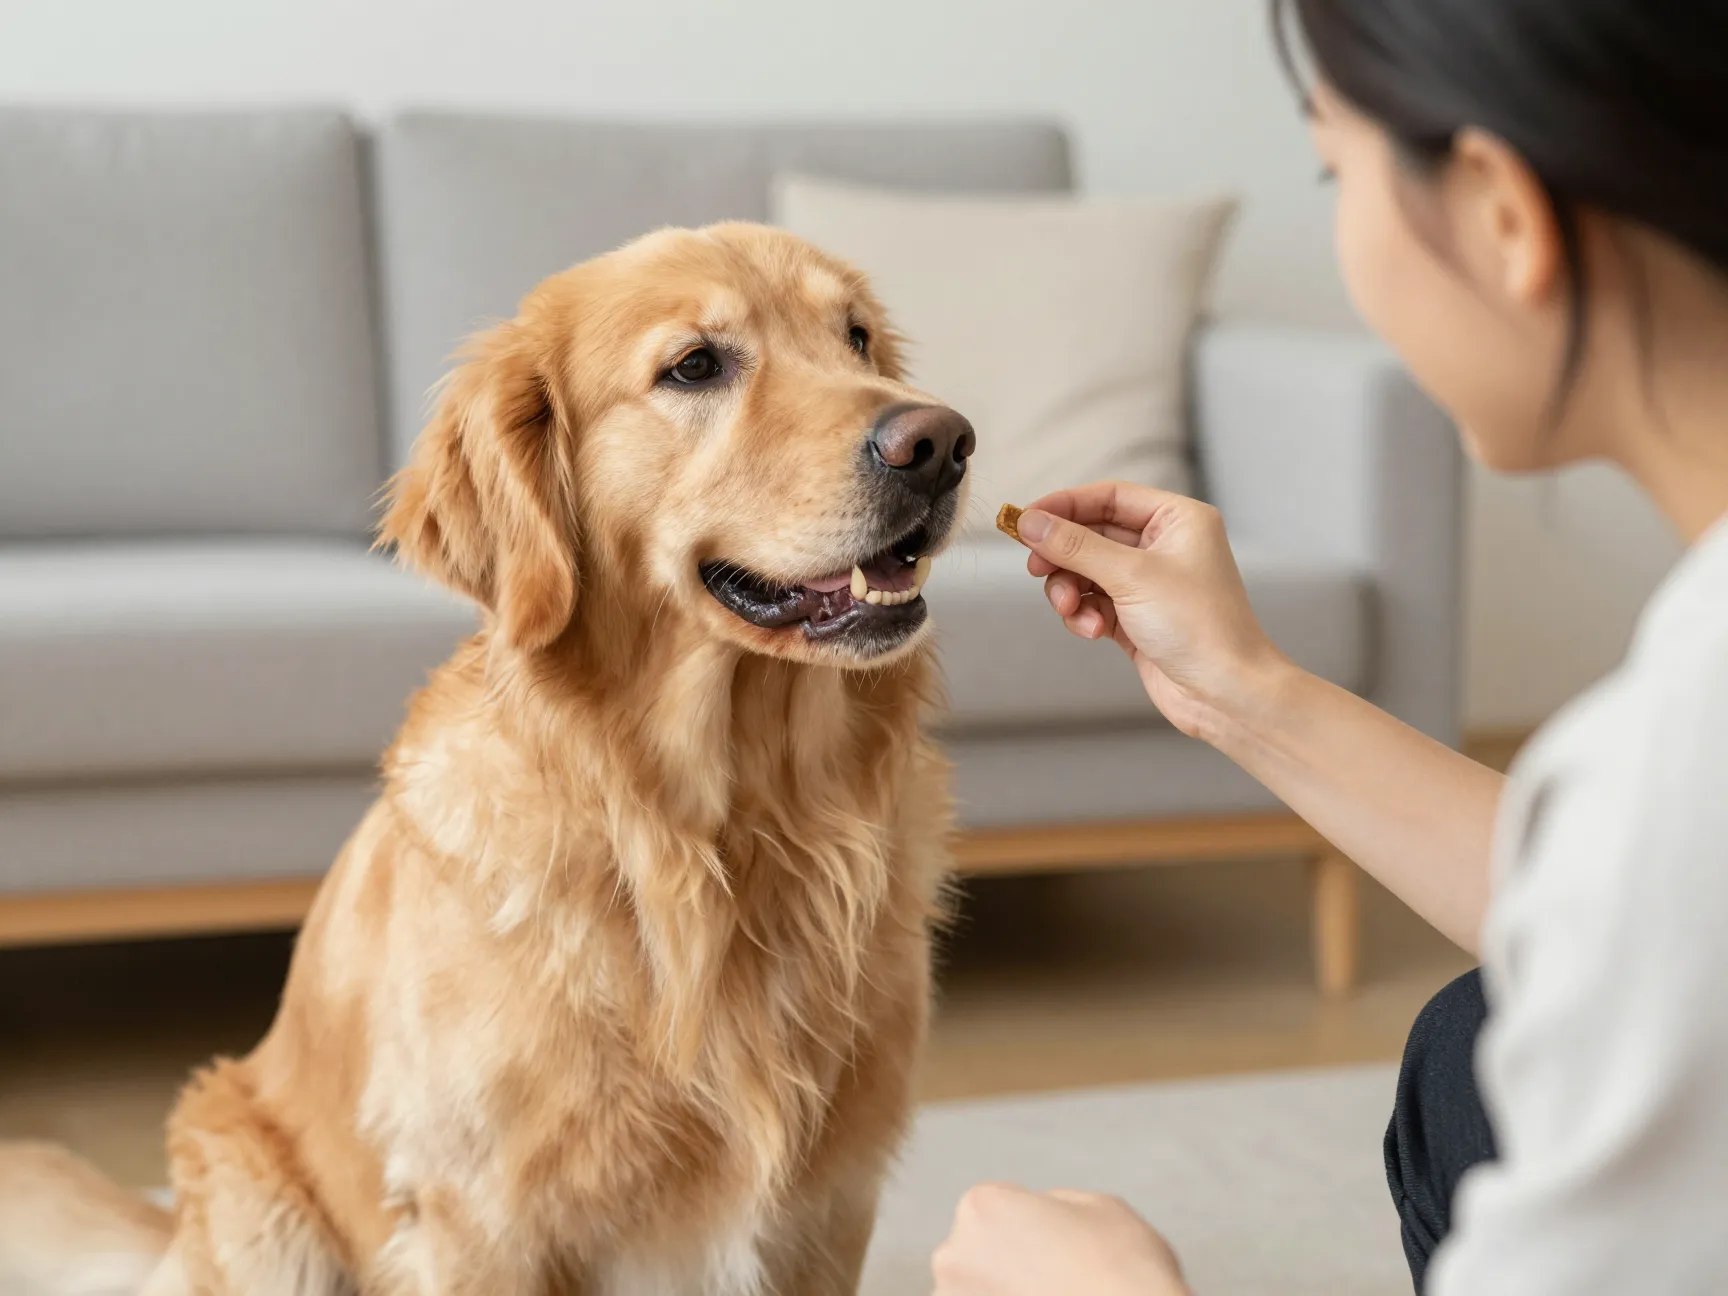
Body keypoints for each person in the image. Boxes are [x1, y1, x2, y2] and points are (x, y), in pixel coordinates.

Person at [928, 1, 1728, 1293]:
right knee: (1472, 1045)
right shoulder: (1673, 779)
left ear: (1501, 213)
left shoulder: (1680, 755)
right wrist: (1243, 689)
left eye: (1335, 170)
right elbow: (1626, 908)